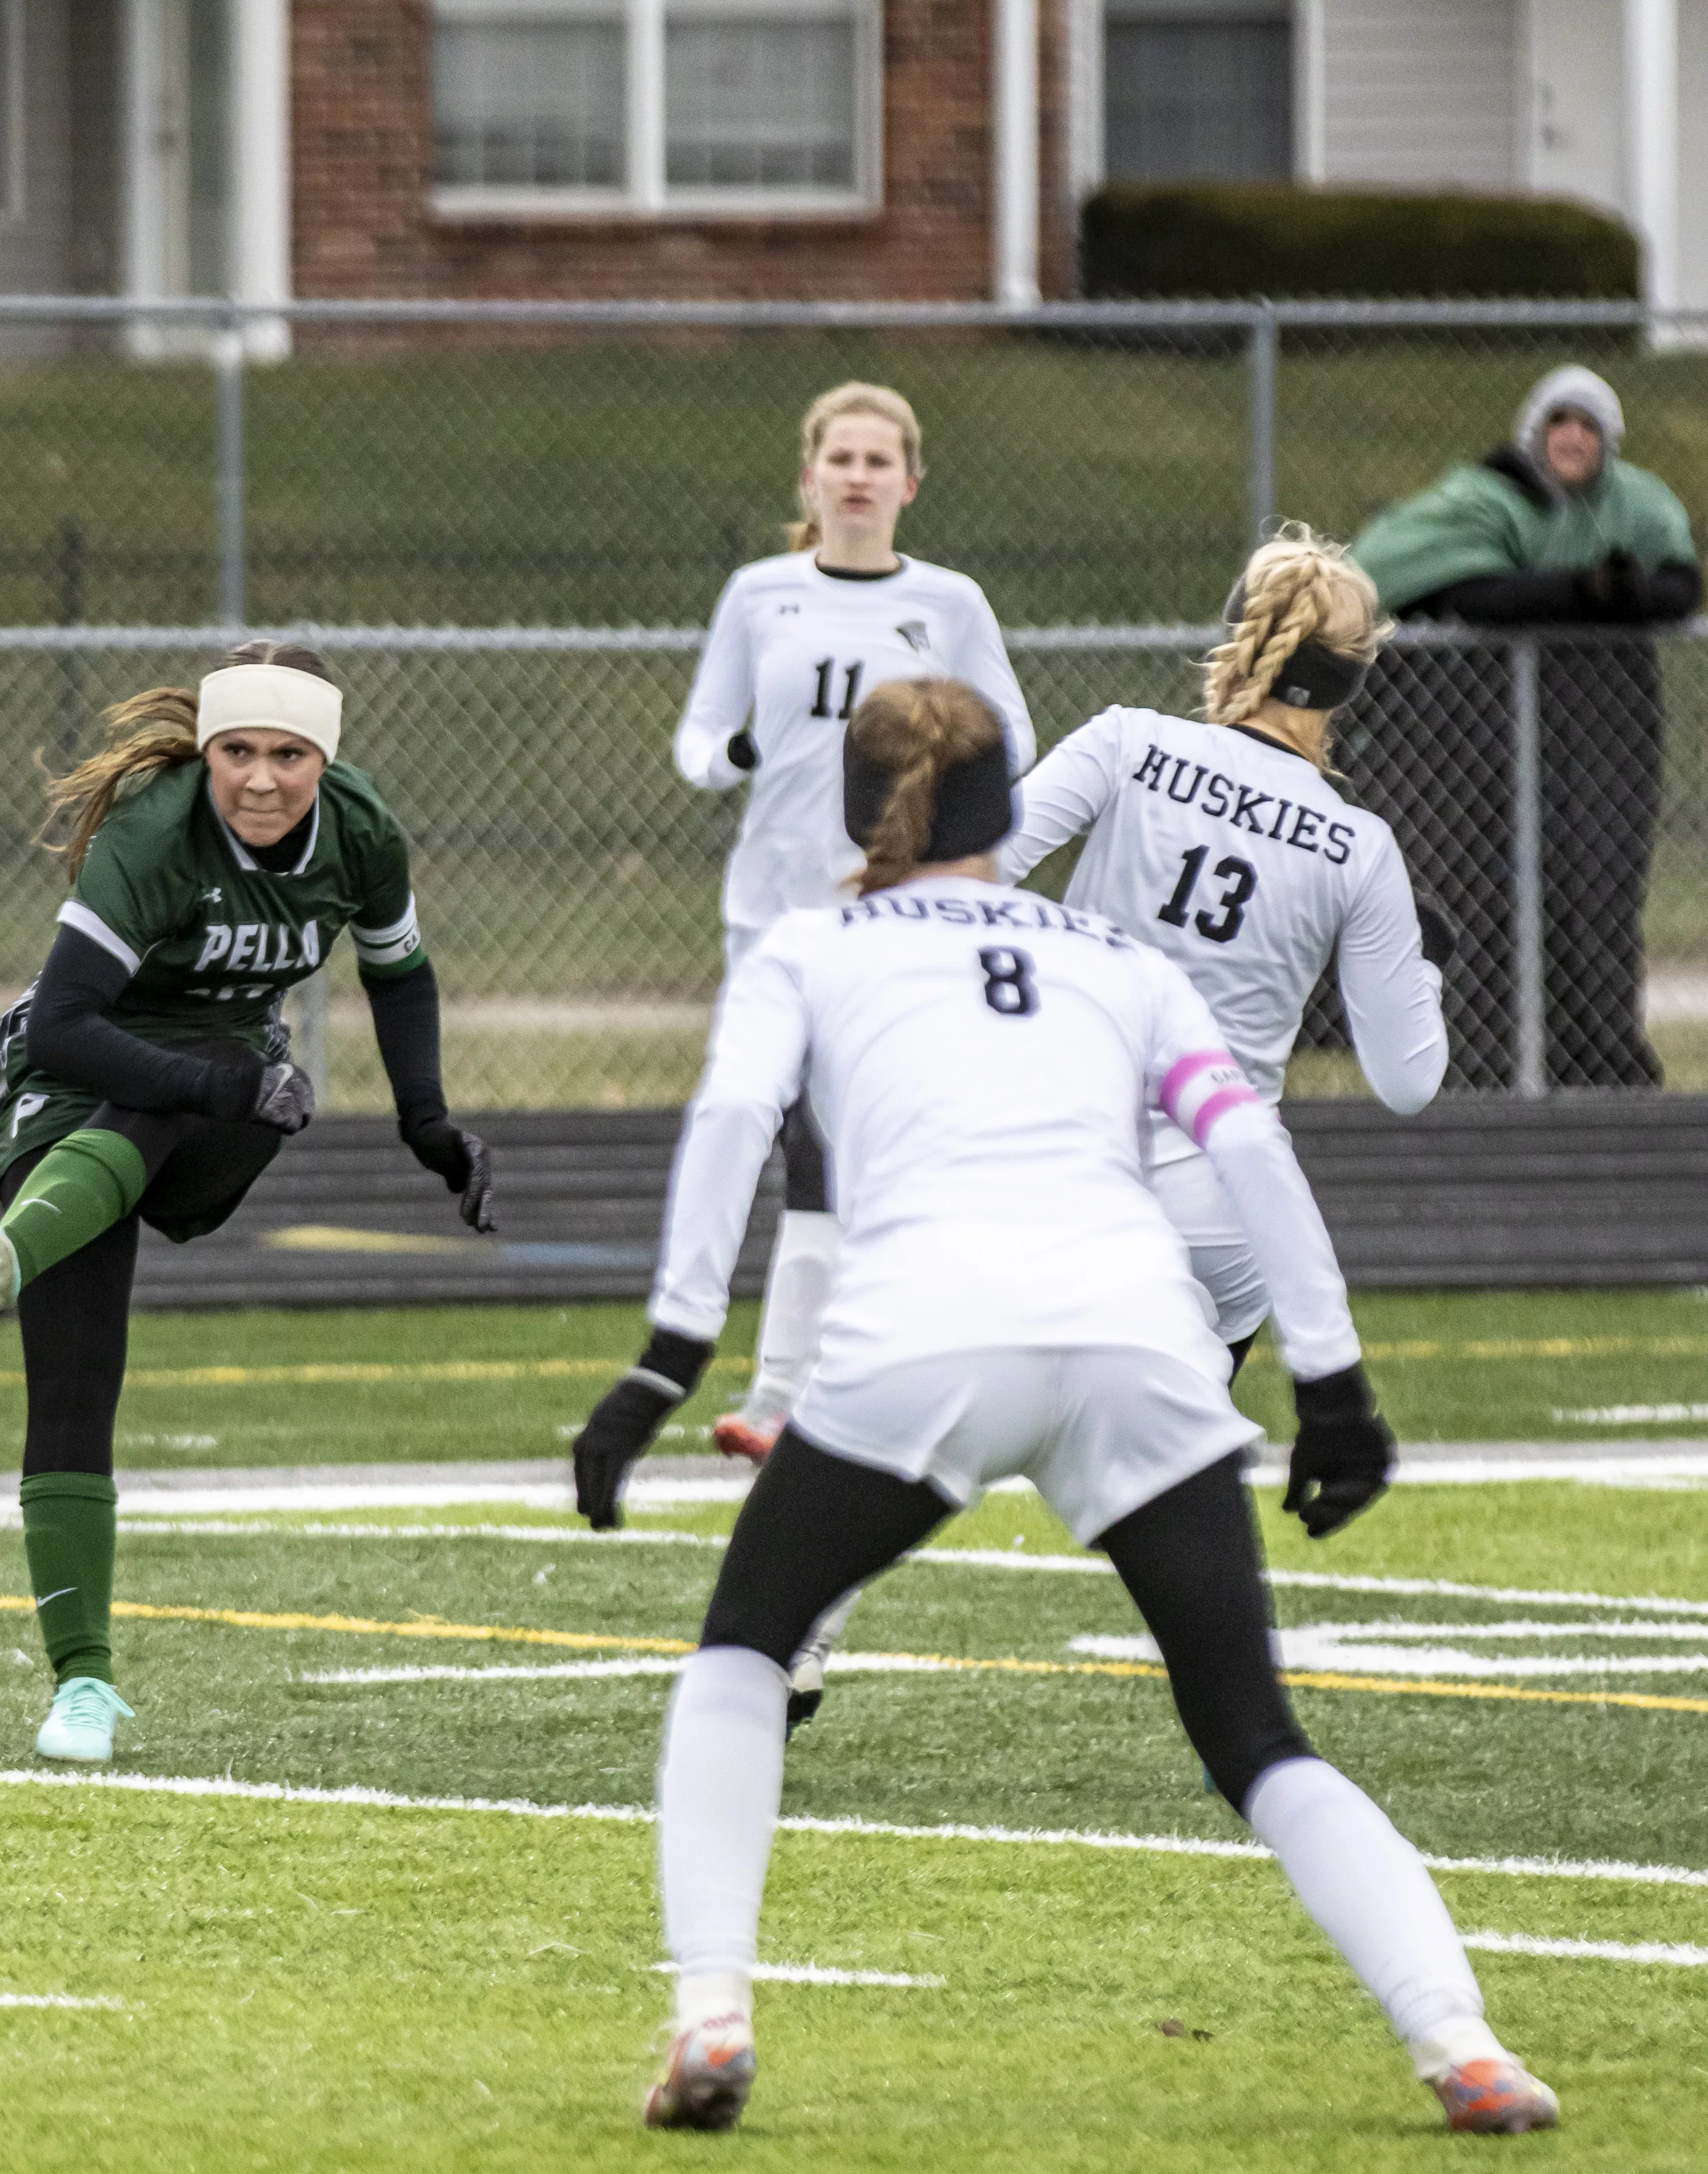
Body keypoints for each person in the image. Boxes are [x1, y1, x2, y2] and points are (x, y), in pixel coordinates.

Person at [567, 678, 1556, 2138]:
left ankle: (711, 2007)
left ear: (854, 810)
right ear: (1006, 806)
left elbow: (729, 1129)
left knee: (741, 1655)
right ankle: (1461, 2041)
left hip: (923, 1336)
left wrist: (665, 1352)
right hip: (1133, 1339)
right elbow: (1248, 1151)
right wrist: (1332, 1379)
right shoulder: (1113, 957)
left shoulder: (810, 942)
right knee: (1255, 1735)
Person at [0, 640, 495, 1765]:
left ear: (325, 757)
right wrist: (206, 1080)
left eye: (289, 755)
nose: (263, 781)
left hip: (225, 1093)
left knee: (222, 1101)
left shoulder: (363, 829)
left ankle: (12, 1254)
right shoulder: (152, 831)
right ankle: (83, 1686)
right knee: (78, 1391)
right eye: (238, 753)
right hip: (78, 1085)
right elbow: (64, 1024)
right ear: (208, 753)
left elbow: (399, 970)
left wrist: (427, 1123)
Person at [669, 383, 1034, 1474]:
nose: (860, 476)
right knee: (781, 1135)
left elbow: (1008, 733)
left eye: (881, 460)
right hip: (772, 922)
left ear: (911, 484)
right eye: (842, 457)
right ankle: (802, 1384)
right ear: (810, 477)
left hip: (894, 926)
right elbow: (700, 734)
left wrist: (968, 848)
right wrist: (727, 756)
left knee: (850, 1150)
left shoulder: (951, 604)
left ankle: (802, 1391)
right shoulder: (759, 593)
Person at [998, 526, 1448, 1373]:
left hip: (1064, 1157)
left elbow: (970, 874)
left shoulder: (1126, 741)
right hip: (1218, 1202)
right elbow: (1409, 1080)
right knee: (1165, 1469)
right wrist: (1424, 965)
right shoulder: (1359, 844)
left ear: (1238, 632)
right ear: (1351, 678)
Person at [1350, 364, 1700, 1088]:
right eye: (1558, 422)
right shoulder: (1477, 499)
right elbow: (1473, 596)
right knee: (1477, 894)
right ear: (1532, 433)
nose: (1572, 438)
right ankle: (1481, 1065)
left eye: (1588, 426)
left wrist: (1620, 595)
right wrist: (1586, 592)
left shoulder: (1634, 503)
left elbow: (1678, 584)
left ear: (1608, 441)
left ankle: (1593, 1064)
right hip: (1460, 724)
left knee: (1589, 895)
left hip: (1592, 724)